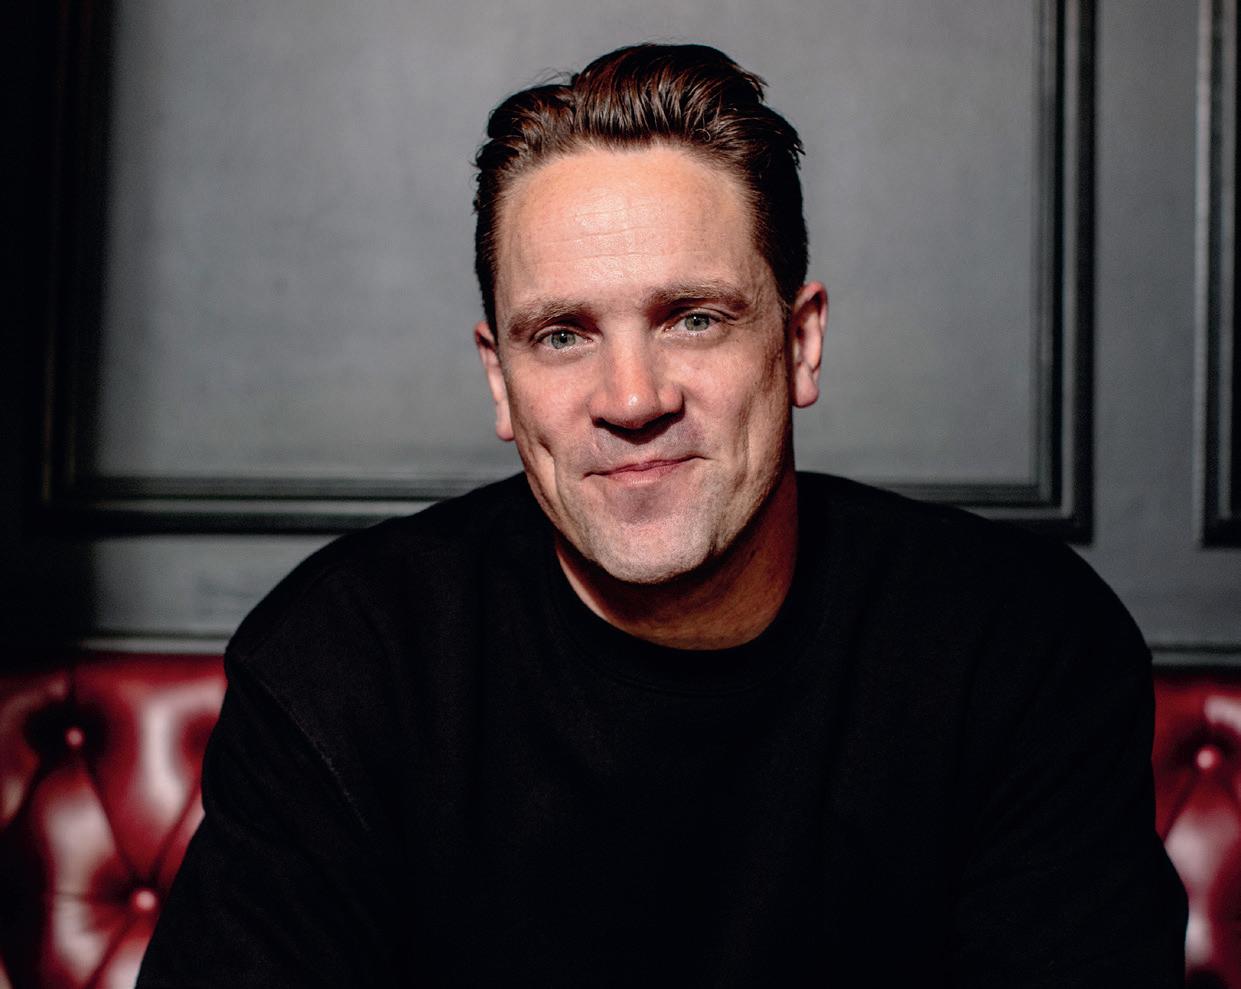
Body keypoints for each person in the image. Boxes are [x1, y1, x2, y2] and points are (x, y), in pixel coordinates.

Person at [138, 43, 1186, 986]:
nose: (632, 398)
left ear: (799, 341)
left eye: (693, 318)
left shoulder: (1019, 649)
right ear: (500, 380)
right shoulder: (346, 660)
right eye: (561, 334)